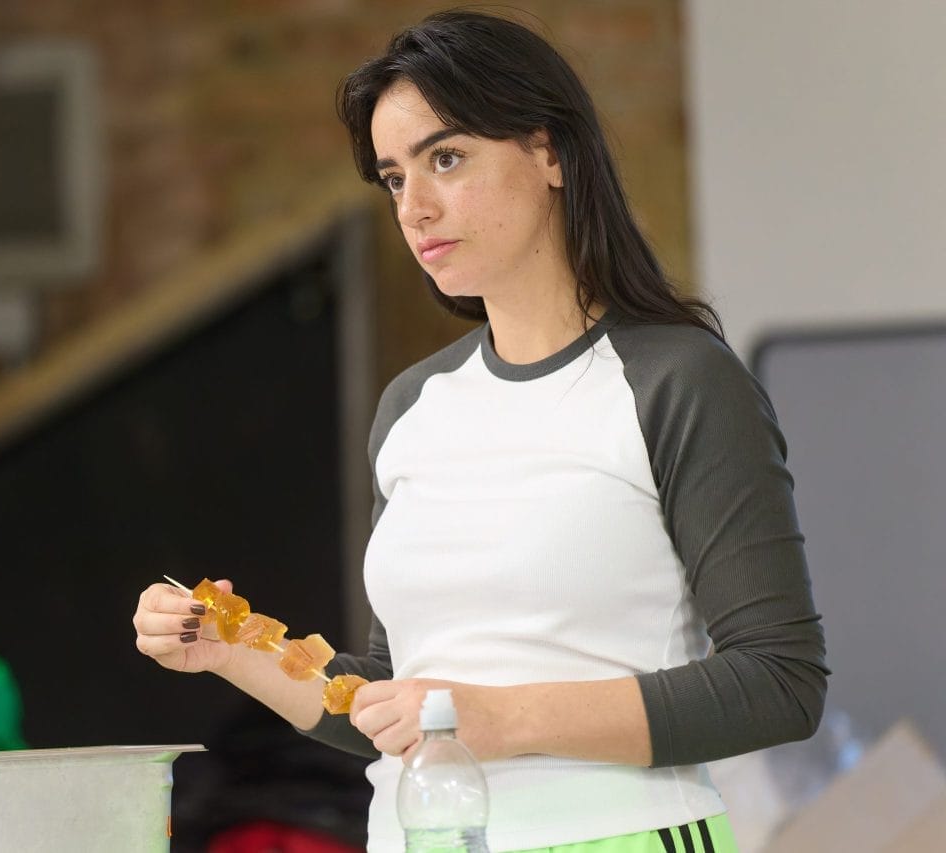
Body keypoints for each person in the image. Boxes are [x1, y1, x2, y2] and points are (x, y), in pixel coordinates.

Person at [133, 9, 827, 852]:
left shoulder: (678, 381)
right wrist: (232, 652)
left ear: (551, 153)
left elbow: (780, 681)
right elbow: (396, 698)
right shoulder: (414, 406)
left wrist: (501, 715)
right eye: (393, 178)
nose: (416, 206)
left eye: (447, 158)